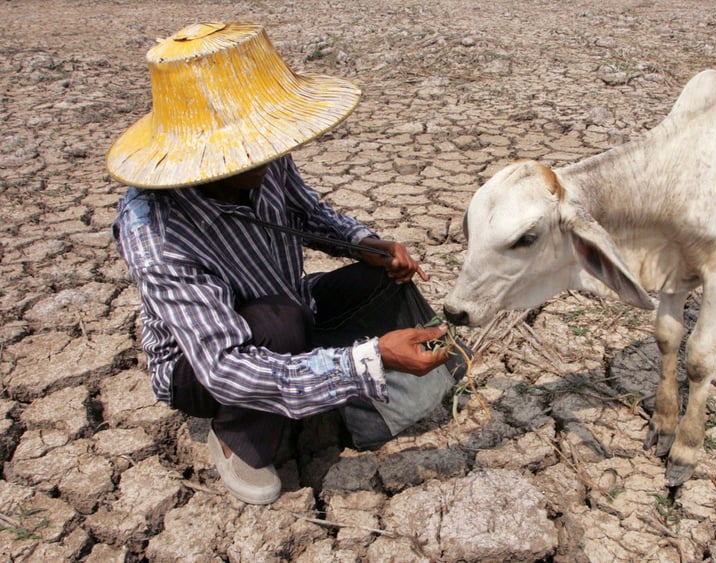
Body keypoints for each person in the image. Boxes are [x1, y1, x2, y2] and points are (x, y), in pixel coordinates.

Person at [107, 22, 462, 505]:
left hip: (290, 302)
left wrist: (362, 242)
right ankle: (239, 436)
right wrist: (371, 358)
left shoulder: (264, 157)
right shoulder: (158, 234)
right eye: (254, 147)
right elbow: (223, 367)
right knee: (281, 321)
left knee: (372, 281)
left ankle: (331, 381)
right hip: (204, 363)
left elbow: (308, 210)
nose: (272, 155)